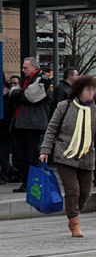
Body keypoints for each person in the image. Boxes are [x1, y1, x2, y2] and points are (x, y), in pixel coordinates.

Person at [39, 75, 96, 238]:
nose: (91, 93)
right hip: (65, 155)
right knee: (73, 189)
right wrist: (45, 150)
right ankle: (74, 222)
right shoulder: (64, 106)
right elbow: (51, 129)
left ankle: (73, 211)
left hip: (86, 157)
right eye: (88, 90)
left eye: (93, 90)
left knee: (85, 192)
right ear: (79, 91)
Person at [9, 57, 52, 192]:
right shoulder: (27, 81)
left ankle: (35, 183)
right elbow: (17, 95)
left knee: (32, 156)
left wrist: (19, 92)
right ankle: (26, 182)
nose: (23, 70)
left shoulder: (43, 79)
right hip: (22, 123)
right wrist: (21, 93)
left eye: (25, 67)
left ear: (34, 67)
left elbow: (30, 97)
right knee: (21, 155)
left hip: (34, 124)